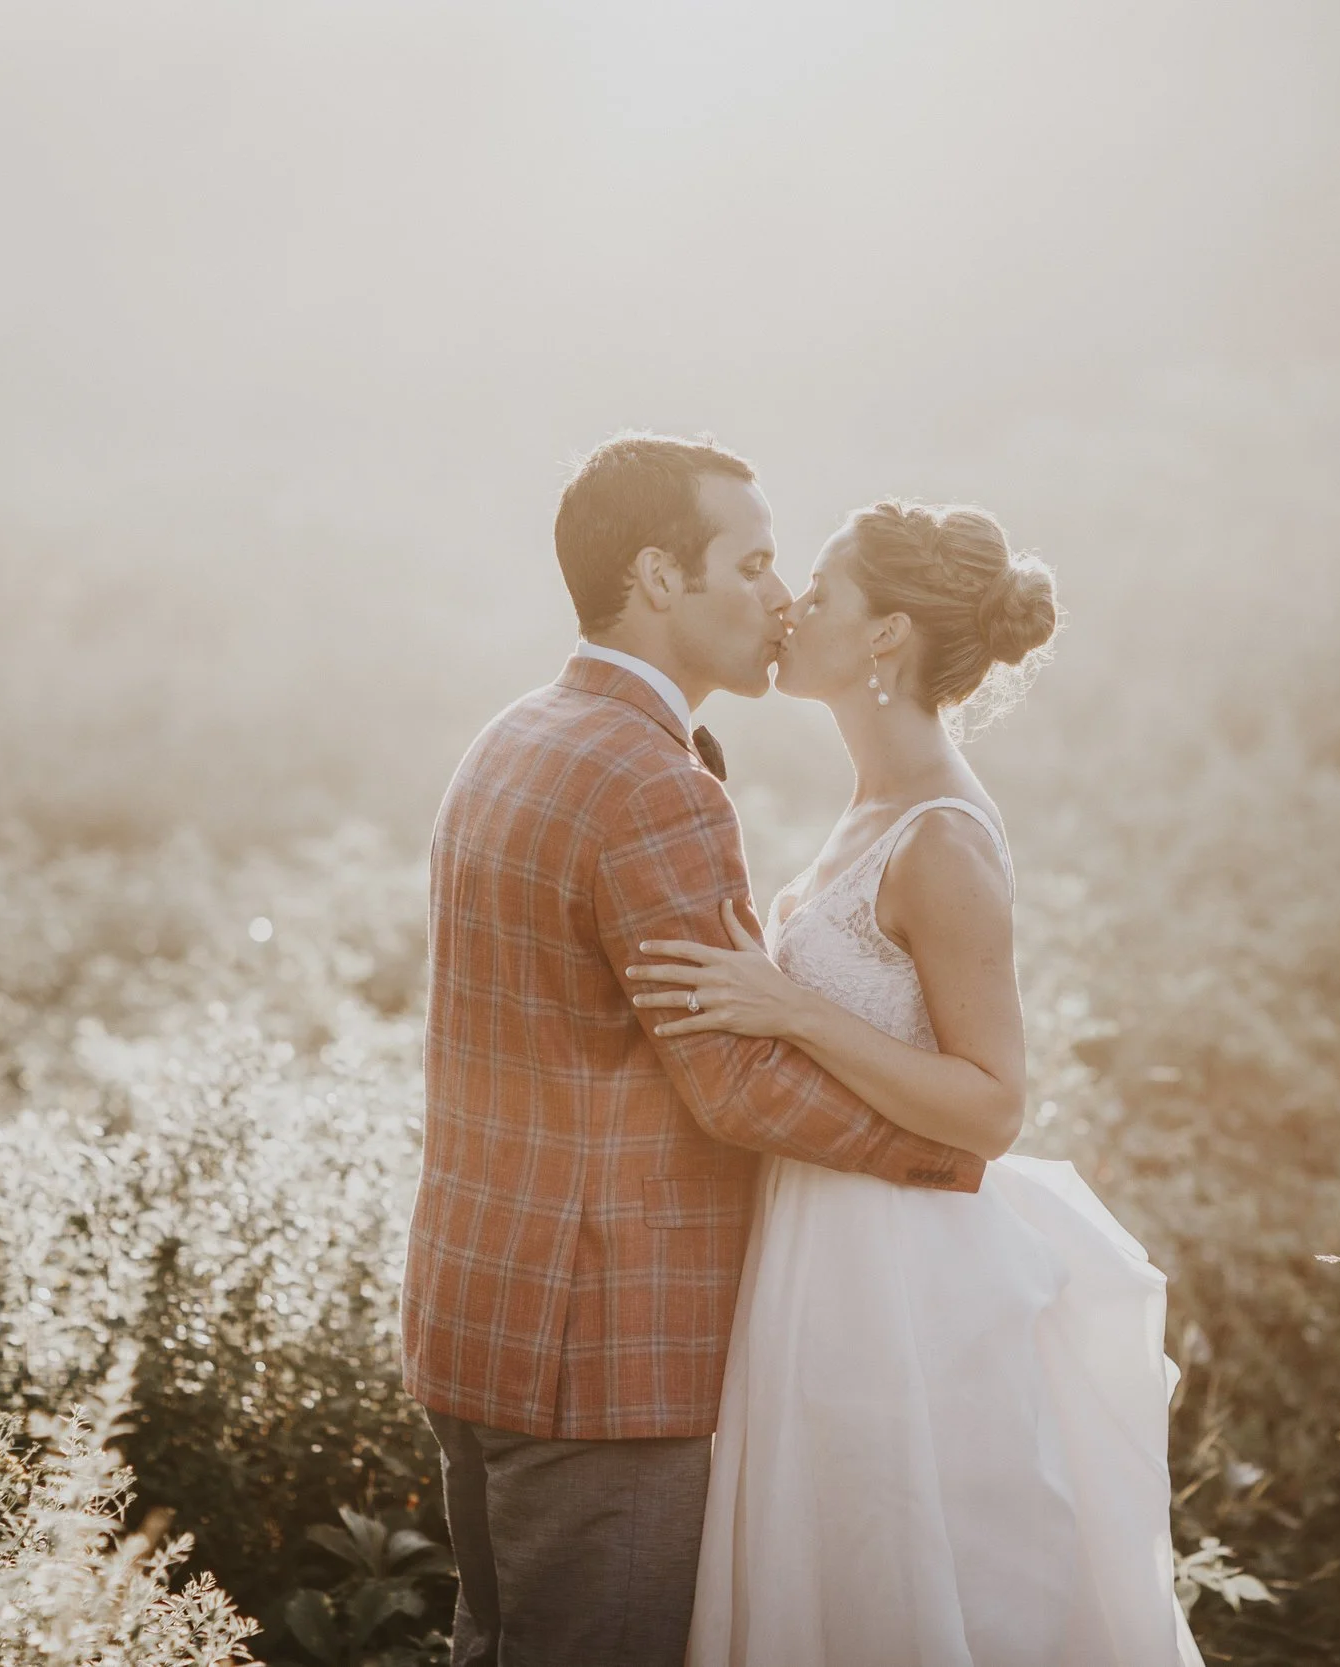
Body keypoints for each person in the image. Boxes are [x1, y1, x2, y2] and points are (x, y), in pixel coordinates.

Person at [402, 434, 987, 1667]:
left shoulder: (516, 734)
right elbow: (729, 1081)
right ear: (661, 578)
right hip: (602, 1355)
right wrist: (953, 1155)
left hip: (477, 1314)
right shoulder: (651, 780)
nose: (780, 596)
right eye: (756, 559)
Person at [627, 499, 1200, 1665]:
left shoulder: (942, 835)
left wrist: (788, 1006)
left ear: (884, 637)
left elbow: (992, 1103)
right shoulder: (868, 807)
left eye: (821, 594)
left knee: (896, 1586)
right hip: (809, 1248)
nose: (791, 606)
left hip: (894, 1278)